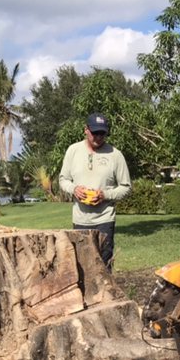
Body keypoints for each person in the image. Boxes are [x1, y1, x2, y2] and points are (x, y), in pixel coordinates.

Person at [58, 113, 131, 268]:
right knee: (82, 265)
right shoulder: (73, 151)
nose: (98, 137)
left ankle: (105, 293)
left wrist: (105, 195)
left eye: (102, 133)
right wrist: (74, 189)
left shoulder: (115, 155)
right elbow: (63, 179)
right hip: (80, 220)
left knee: (103, 265)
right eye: (95, 133)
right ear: (86, 130)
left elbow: (126, 187)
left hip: (104, 220)